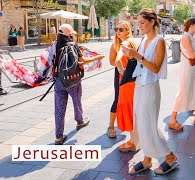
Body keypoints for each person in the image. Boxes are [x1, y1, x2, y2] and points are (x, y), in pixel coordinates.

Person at [122, 8, 178, 175]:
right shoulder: (144, 38)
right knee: (141, 123)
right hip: (140, 84)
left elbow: (155, 68)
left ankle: (170, 157)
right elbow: (141, 64)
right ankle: (147, 159)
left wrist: (137, 56)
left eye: (142, 23)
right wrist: (130, 54)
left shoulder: (159, 41)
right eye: (138, 23)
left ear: (152, 22)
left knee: (149, 126)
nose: (139, 26)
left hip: (151, 87)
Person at [53, 24, 104, 145]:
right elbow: (84, 60)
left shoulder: (54, 45)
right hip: (73, 80)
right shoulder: (73, 45)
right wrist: (98, 57)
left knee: (59, 108)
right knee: (76, 101)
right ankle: (80, 121)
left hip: (59, 81)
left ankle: (58, 137)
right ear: (69, 35)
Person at [169, 18, 195, 132]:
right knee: (183, 93)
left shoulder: (190, 36)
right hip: (187, 70)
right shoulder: (186, 37)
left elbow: (192, 55)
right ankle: (172, 119)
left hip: (191, 69)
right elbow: (191, 55)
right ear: (191, 26)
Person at [108, 21, 138, 152]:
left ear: (127, 30)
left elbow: (117, 59)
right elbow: (112, 61)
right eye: (116, 29)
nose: (118, 31)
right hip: (124, 74)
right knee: (120, 99)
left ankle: (132, 134)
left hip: (126, 74)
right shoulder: (116, 44)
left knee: (127, 102)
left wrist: (123, 70)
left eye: (121, 29)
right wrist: (121, 70)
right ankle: (111, 126)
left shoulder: (127, 42)